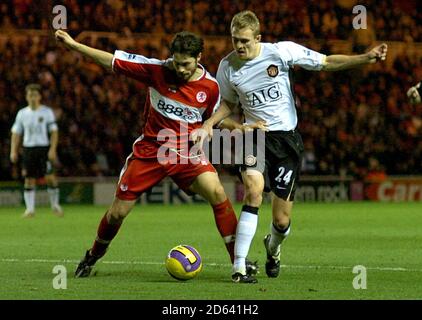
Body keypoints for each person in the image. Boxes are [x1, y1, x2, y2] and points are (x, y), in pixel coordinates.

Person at [198, 10, 388, 283]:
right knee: (253, 191)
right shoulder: (227, 66)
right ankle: (238, 266)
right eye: (234, 39)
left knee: (282, 221)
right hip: (255, 137)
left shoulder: (281, 52)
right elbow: (227, 104)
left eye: (244, 40)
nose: (238, 46)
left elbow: (325, 62)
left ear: (258, 38)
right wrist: (212, 123)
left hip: (286, 141)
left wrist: (365, 58)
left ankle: (273, 249)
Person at [55, 30, 259, 278]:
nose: (181, 69)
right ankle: (93, 255)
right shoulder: (156, 70)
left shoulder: (210, 87)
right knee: (117, 212)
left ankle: (238, 262)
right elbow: (110, 61)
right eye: (177, 62)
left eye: (186, 64)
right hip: (151, 152)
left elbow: (211, 120)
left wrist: (236, 127)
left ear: (198, 58)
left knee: (217, 193)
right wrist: (75, 45)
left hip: (185, 153)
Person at [10, 84, 63, 218]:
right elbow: (16, 134)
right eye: (30, 95)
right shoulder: (22, 113)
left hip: (43, 149)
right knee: (29, 180)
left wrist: (52, 149)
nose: (32, 98)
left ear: (39, 97)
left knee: (50, 178)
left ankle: (55, 206)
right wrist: (13, 151)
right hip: (28, 149)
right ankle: (30, 210)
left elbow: (54, 132)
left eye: (34, 95)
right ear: (26, 97)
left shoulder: (46, 112)